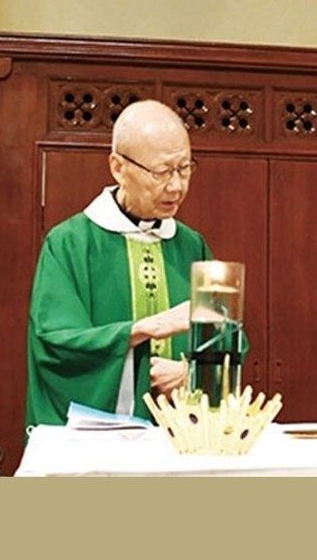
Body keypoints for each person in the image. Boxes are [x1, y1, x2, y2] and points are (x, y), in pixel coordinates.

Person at [25, 100, 215, 433]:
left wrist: (191, 371)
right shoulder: (70, 244)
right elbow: (55, 344)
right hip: (99, 442)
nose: (176, 186)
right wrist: (143, 329)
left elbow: (227, 338)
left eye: (184, 169)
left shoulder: (192, 246)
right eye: (161, 172)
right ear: (118, 167)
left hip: (184, 436)